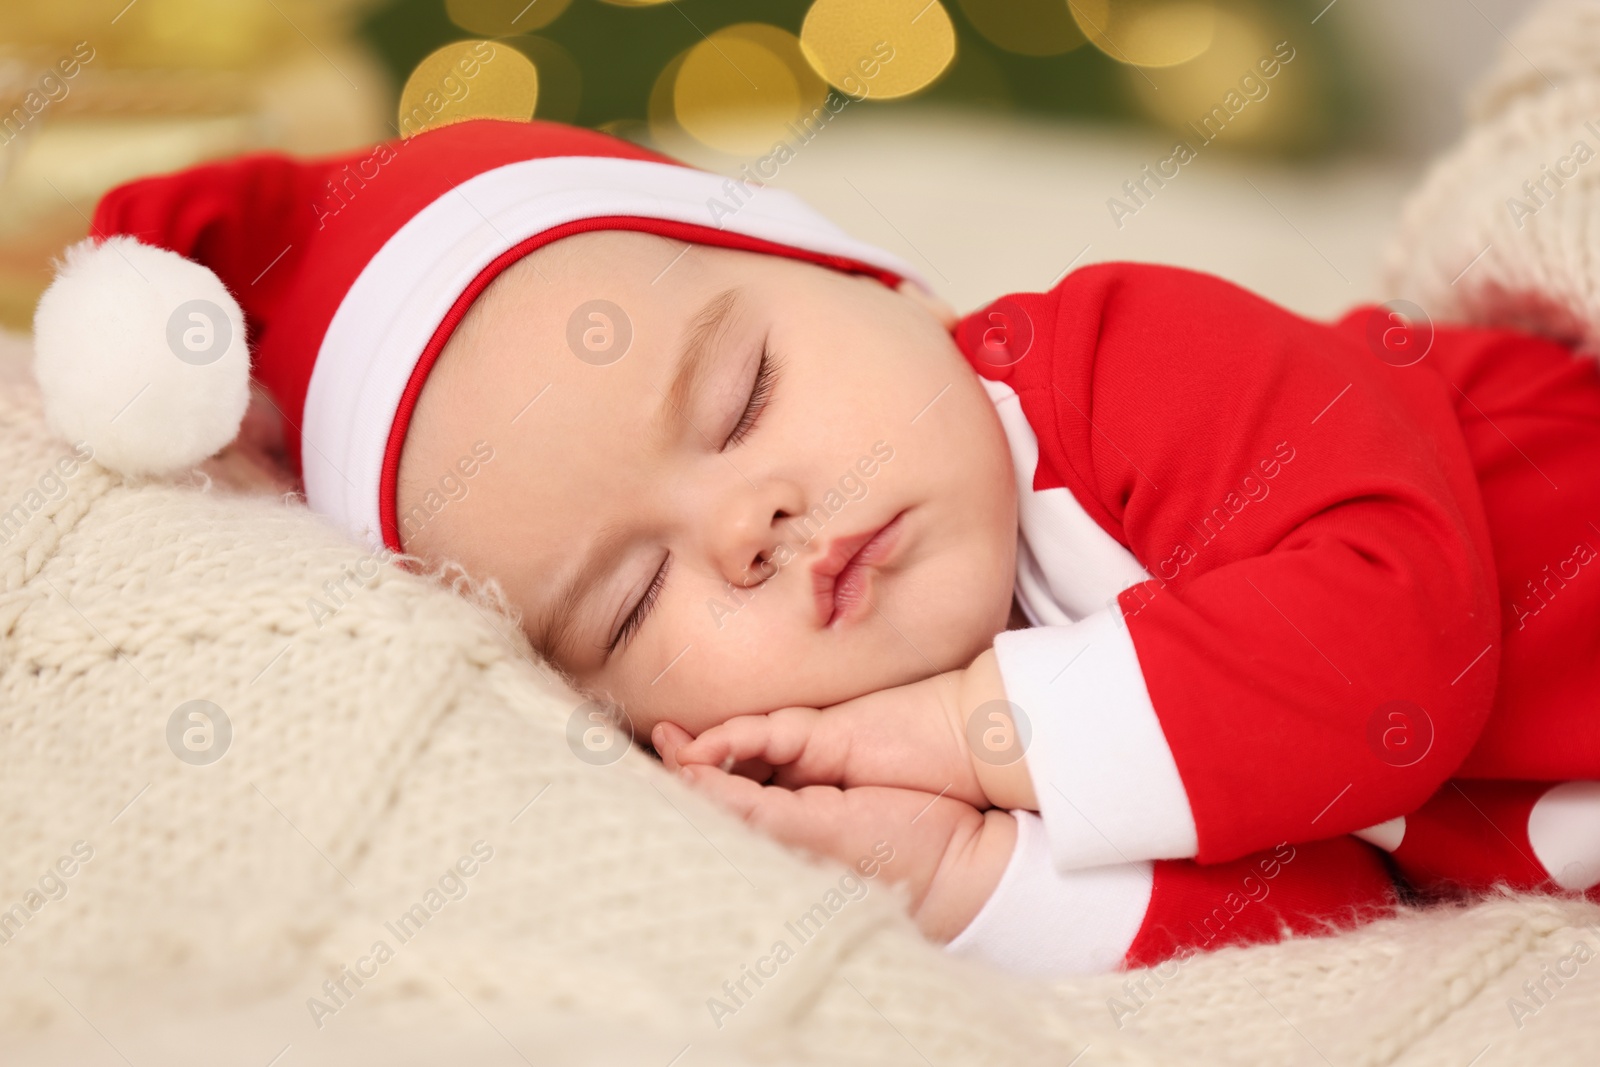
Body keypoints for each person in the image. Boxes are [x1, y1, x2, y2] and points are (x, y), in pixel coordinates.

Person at [34, 117, 1600, 978]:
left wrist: (965, 740)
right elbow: (1329, 893)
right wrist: (965, 870)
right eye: (636, 593)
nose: (752, 524)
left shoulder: (1123, 360)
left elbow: (1398, 649)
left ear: (878, 287)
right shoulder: (939, 751)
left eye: (743, 393)